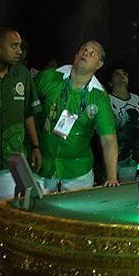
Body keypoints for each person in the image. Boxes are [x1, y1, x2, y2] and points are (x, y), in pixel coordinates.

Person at [0, 27, 41, 276]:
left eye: (20, 46)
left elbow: (29, 112)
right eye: (14, 45)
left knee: (4, 222)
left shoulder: (22, 75)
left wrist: (35, 145)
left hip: (13, 162)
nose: (20, 51)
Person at [34, 40, 119, 192]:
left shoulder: (99, 96)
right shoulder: (49, 76)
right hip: (41, 164)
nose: (86, 53)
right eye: (83, 49)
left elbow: (108, 139)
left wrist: (111, 176)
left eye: (92, 53)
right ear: (76, 55)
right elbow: (25, 109)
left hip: (78, 171)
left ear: (99, 64)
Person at [107, 64, 139, 182]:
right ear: (110, 82)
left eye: (124, 73)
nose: (122, 76)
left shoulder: (136, 99)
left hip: (135, 154)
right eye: (117, 74)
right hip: (117, 154)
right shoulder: (107, 100)